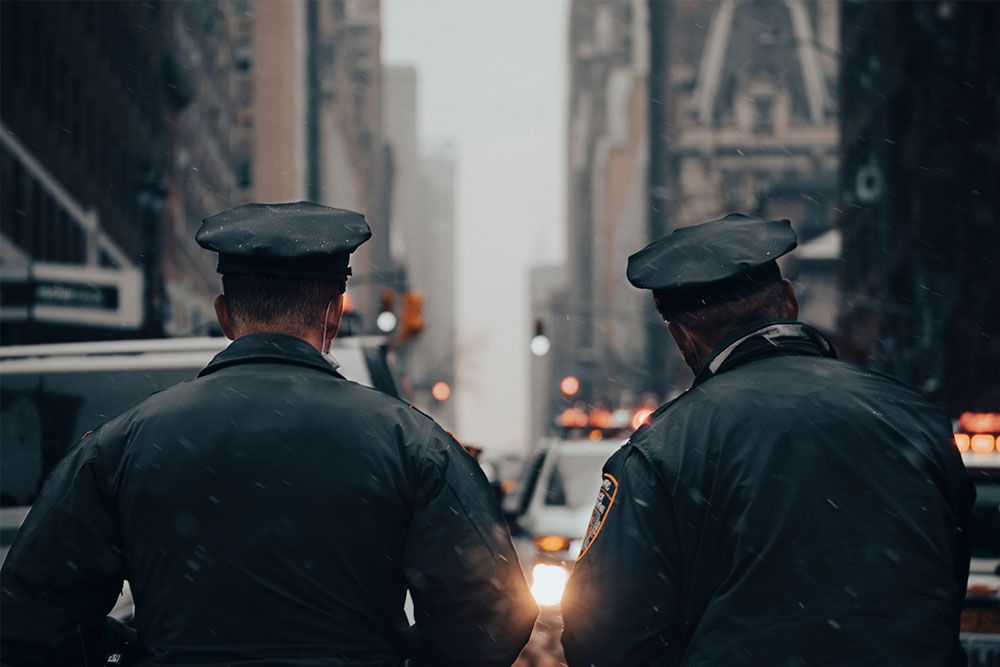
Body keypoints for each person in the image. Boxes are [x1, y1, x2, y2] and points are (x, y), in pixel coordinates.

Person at [1, 202, 538, 666]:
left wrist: (134, 653)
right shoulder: (411, 443)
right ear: (334, 314)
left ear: (224, 315)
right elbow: (492, 616)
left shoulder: (120, 445)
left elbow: (30, 617)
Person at [561, 213, 973, 666]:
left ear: (681, 337)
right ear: (790, 302)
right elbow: (948, 578)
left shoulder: (661, 449)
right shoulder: (915, 417)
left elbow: (602, 638)